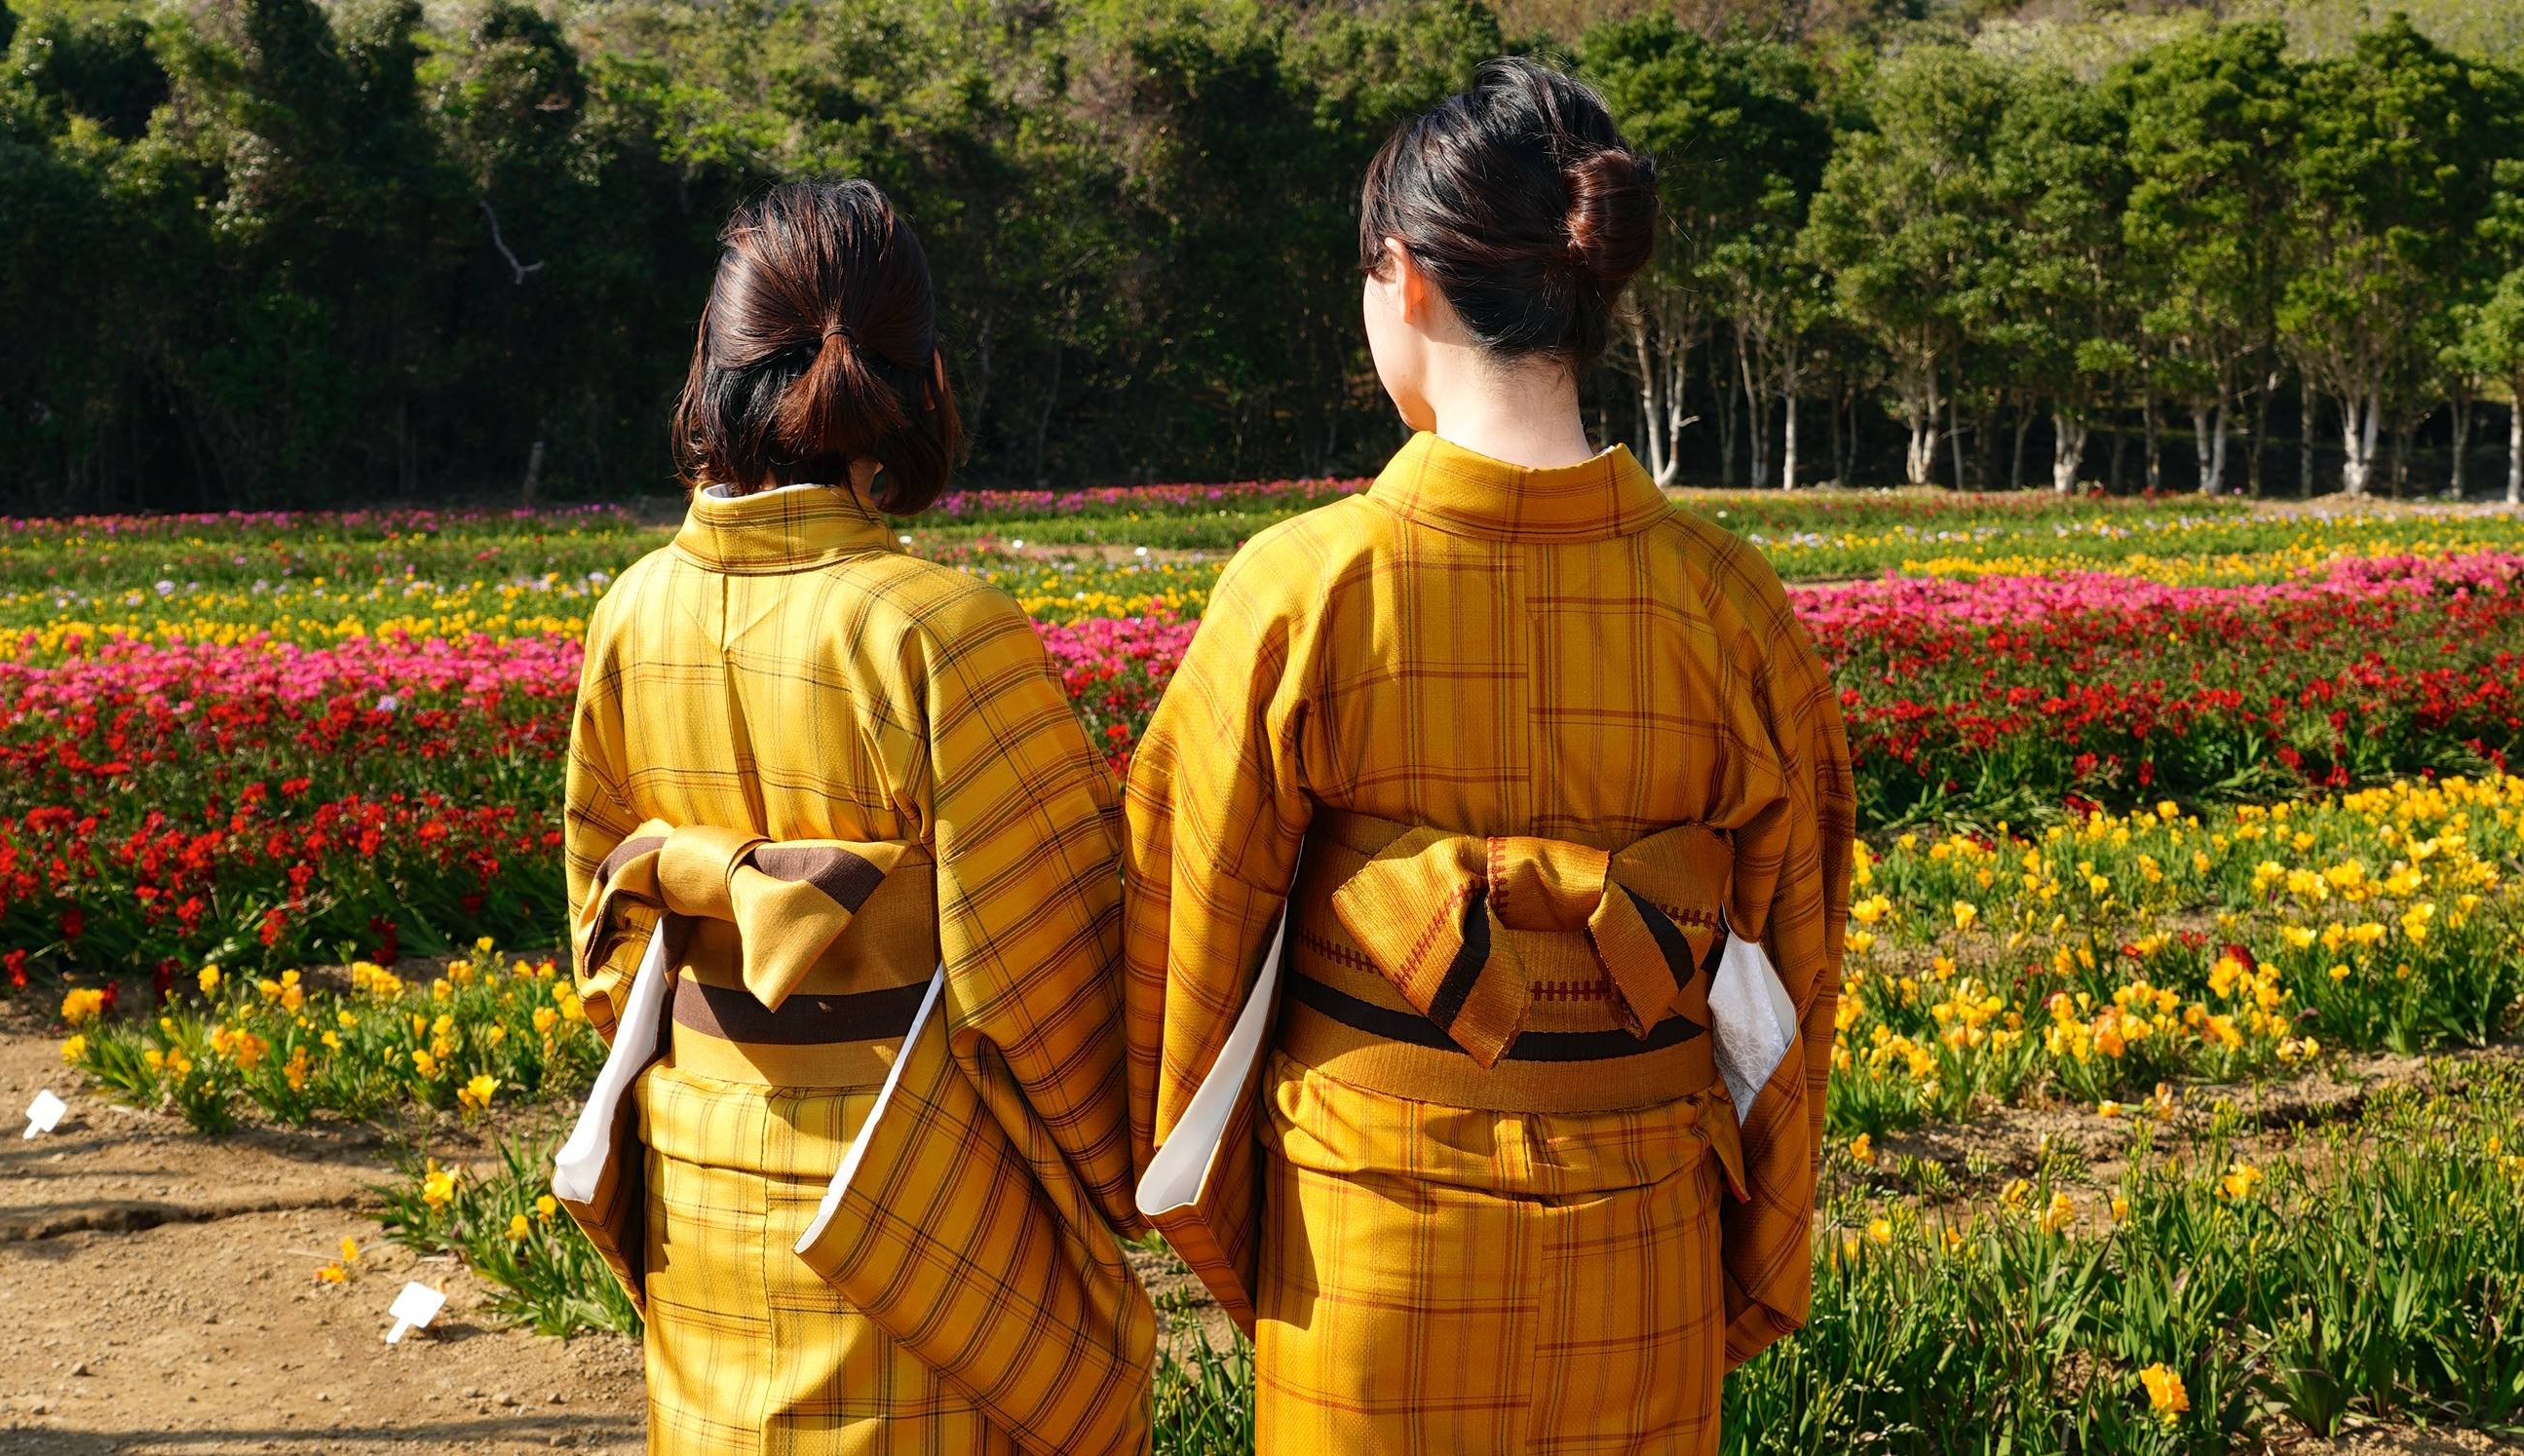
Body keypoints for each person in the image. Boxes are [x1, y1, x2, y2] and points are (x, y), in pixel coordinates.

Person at [1122, 58, 1855, 1453]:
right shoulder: (1730, 604)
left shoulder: (1304, 588)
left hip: (1370, 1244)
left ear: (1402, 275)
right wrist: (1744, 1244)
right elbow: (1792, 970)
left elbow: (1183, 949)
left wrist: (1250, 1227)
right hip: (1641, 1243)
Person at [556, 178, 1153, 1456]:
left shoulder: (630, 615)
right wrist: (1141, 1184)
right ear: (922, 378)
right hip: (911, 1216)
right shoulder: (942, 634)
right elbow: (1048, 998)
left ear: (712, 373)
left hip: (706, 1204)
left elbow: (607, 961)